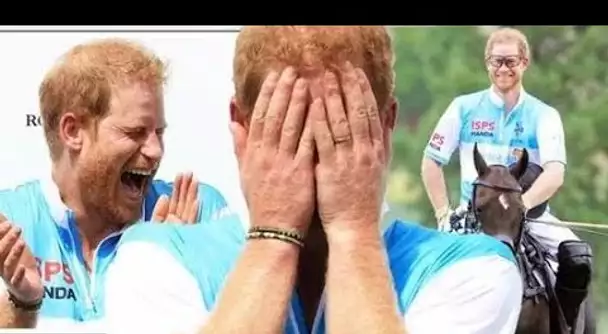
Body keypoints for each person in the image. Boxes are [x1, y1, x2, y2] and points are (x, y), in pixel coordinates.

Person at [105, 26, 522, 334]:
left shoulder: (474, 270)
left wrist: (354, 232)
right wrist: (272, 234)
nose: (314, 161)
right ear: (241, 127)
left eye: (341, 133)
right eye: (290, 130)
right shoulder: (155, 260)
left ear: (386, 127)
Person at [0, 39, 231, 330]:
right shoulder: (9, 221)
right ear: (73, 132)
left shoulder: (200, 213)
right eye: (135, 132)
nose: (155, 150)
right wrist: (22, 304)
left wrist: (172, 281)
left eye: (159, 132)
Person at [421, 27, 581, 266]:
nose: (503, 69)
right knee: (423, 268)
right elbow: (431, 160)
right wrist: (443, 213)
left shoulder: (545, 115)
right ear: (487, 63)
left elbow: (555, 173)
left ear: (524, 63)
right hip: (472, 217)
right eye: (497, 62)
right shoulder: (462, 107)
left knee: (579, 259)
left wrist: (521, 207)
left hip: (528, 217)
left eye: (511, 61)